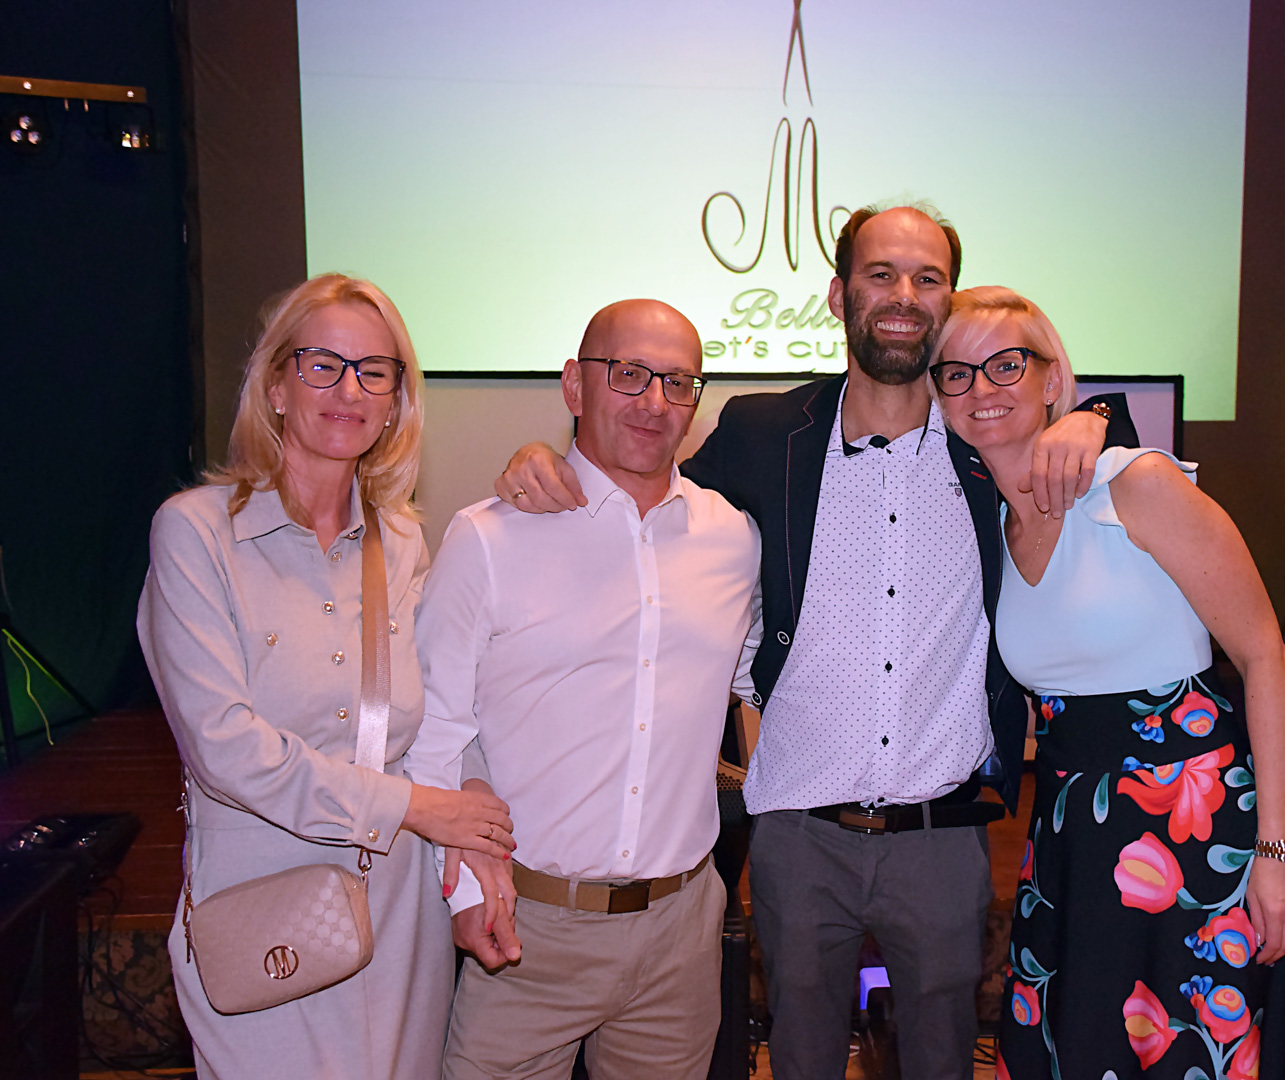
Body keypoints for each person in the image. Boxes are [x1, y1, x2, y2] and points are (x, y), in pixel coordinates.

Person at [496, 205, 1136, 1080]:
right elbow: (646, 493)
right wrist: (548, 456)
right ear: (839, 296)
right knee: (798, 1059)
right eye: (880, 274)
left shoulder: (983, 441)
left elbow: (1089, 441)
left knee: (942, 1065)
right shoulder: (765, 433)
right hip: (799, 838)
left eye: (927, 278)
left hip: (944, 834)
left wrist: (1096, 416)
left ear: (948, 302)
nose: (903, 295)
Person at [926, 286, 1285, 1080]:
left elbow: (1265, 658)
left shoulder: (1134, 484)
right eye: (957, 373)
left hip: (1195, 829)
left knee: (1190, 1052)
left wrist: (1281, 852)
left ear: (1052, 378)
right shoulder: (991, 525)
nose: (982, 388)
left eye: (1006, 364)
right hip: (1073, 836)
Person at [136, 274, 515, 1080]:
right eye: (322, 366)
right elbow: (224, 749)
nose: (350, 390)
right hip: (260, 906)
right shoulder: (194, 533)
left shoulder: (404, 542)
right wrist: (417, 807)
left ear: (395, 402)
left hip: (398, 916)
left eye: (374, 371)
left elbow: (442, 713)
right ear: (276, 386)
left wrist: (475, 810)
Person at [405, 299, 761, 1080]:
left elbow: (760, 680)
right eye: (629, 374)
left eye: (678, 381)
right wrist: (463, 889)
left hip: (680, 934)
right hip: (527, 929)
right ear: (574, 385)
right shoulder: (489, 537)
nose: (654, 401)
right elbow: (434, 725)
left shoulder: (732, 539)